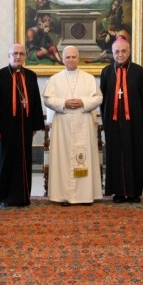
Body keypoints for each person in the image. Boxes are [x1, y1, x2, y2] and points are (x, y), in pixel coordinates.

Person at [43, 46, 103, 206]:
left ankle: (85, 196)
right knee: (63, 159)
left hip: (83, 123)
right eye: (67, 57)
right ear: (62, 59)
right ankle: (64, 196)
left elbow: (98, 98)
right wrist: (64, 103)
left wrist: (83, 102)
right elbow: (48, 99)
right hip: (62, 125)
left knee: (83, 157)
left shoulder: (89, 78)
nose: (70, 60)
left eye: (73, 57)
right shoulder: (55, 79)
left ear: (78, 58)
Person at [0, 42, 45, 206]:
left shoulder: (30, 75)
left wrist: (35, 125)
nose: (18, 57)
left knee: (23, 161)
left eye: (21, 54)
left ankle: (22, 196)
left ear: (25, 56)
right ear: (9, 56)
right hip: (5, 129)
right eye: (15, 54)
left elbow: (35, 100)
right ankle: (4, 197)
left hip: (24, 127)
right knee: (5, 161)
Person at [100, 38, 143, 203]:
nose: (120, 55)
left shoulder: (138, 71)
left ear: (129, 52)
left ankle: (134, 192)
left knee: (133, 154)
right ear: (112, 53)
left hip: (133, 122)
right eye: (117, 52)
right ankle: (118, 192)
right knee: (114, 155)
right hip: (112, 122)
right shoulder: (106, 72)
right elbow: (103, 98)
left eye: (123, 51)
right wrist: (106, 121)